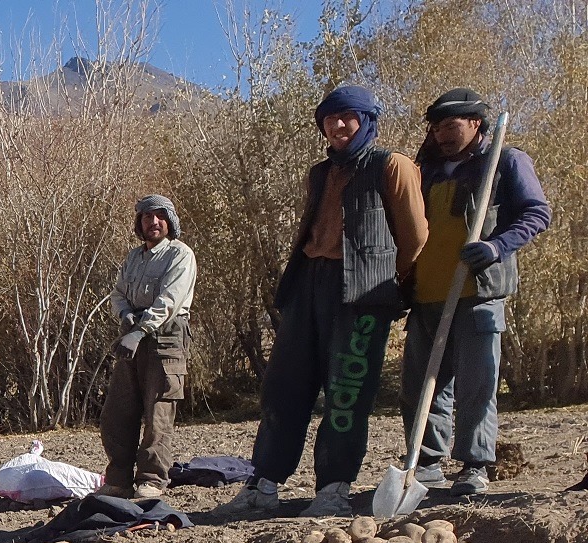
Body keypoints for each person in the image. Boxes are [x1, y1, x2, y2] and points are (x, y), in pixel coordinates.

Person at [220, 86, 428, 519]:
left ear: (367, 119)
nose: (336, 126)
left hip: (362, 294)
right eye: (328, 119)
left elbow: (414, 237)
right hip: (308, 285)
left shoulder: (393, 166)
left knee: (346, 390)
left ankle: (333, 488)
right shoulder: (319, 173)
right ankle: (264, 483)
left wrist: (390, 282)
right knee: (283, 387)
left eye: (347, 117)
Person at [400, 88, 551, 498]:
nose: (442, 134)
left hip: (478, 291)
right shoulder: (425, 170)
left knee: (476, 384)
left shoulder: (505, 161)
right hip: (427, 293)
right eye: (436, 127)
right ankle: (427, 462)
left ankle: (474, 465)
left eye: (451, 125)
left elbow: (537, 213)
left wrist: (495, 247)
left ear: (476, 124)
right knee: (421, 386)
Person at [102, 195, 197, 500]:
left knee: (158, 413)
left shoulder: (180, 255)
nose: (152, 222)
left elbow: (169, 301)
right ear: (138, 223)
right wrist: (126, 315)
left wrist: (140, 330)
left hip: (165, 339)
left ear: (170, 221)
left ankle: (152, 480)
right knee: (117, 413)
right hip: (132, 337)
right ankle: (118, 479)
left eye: (159, 216)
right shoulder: (133, 258)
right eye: (146, 217)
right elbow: (117, 294)